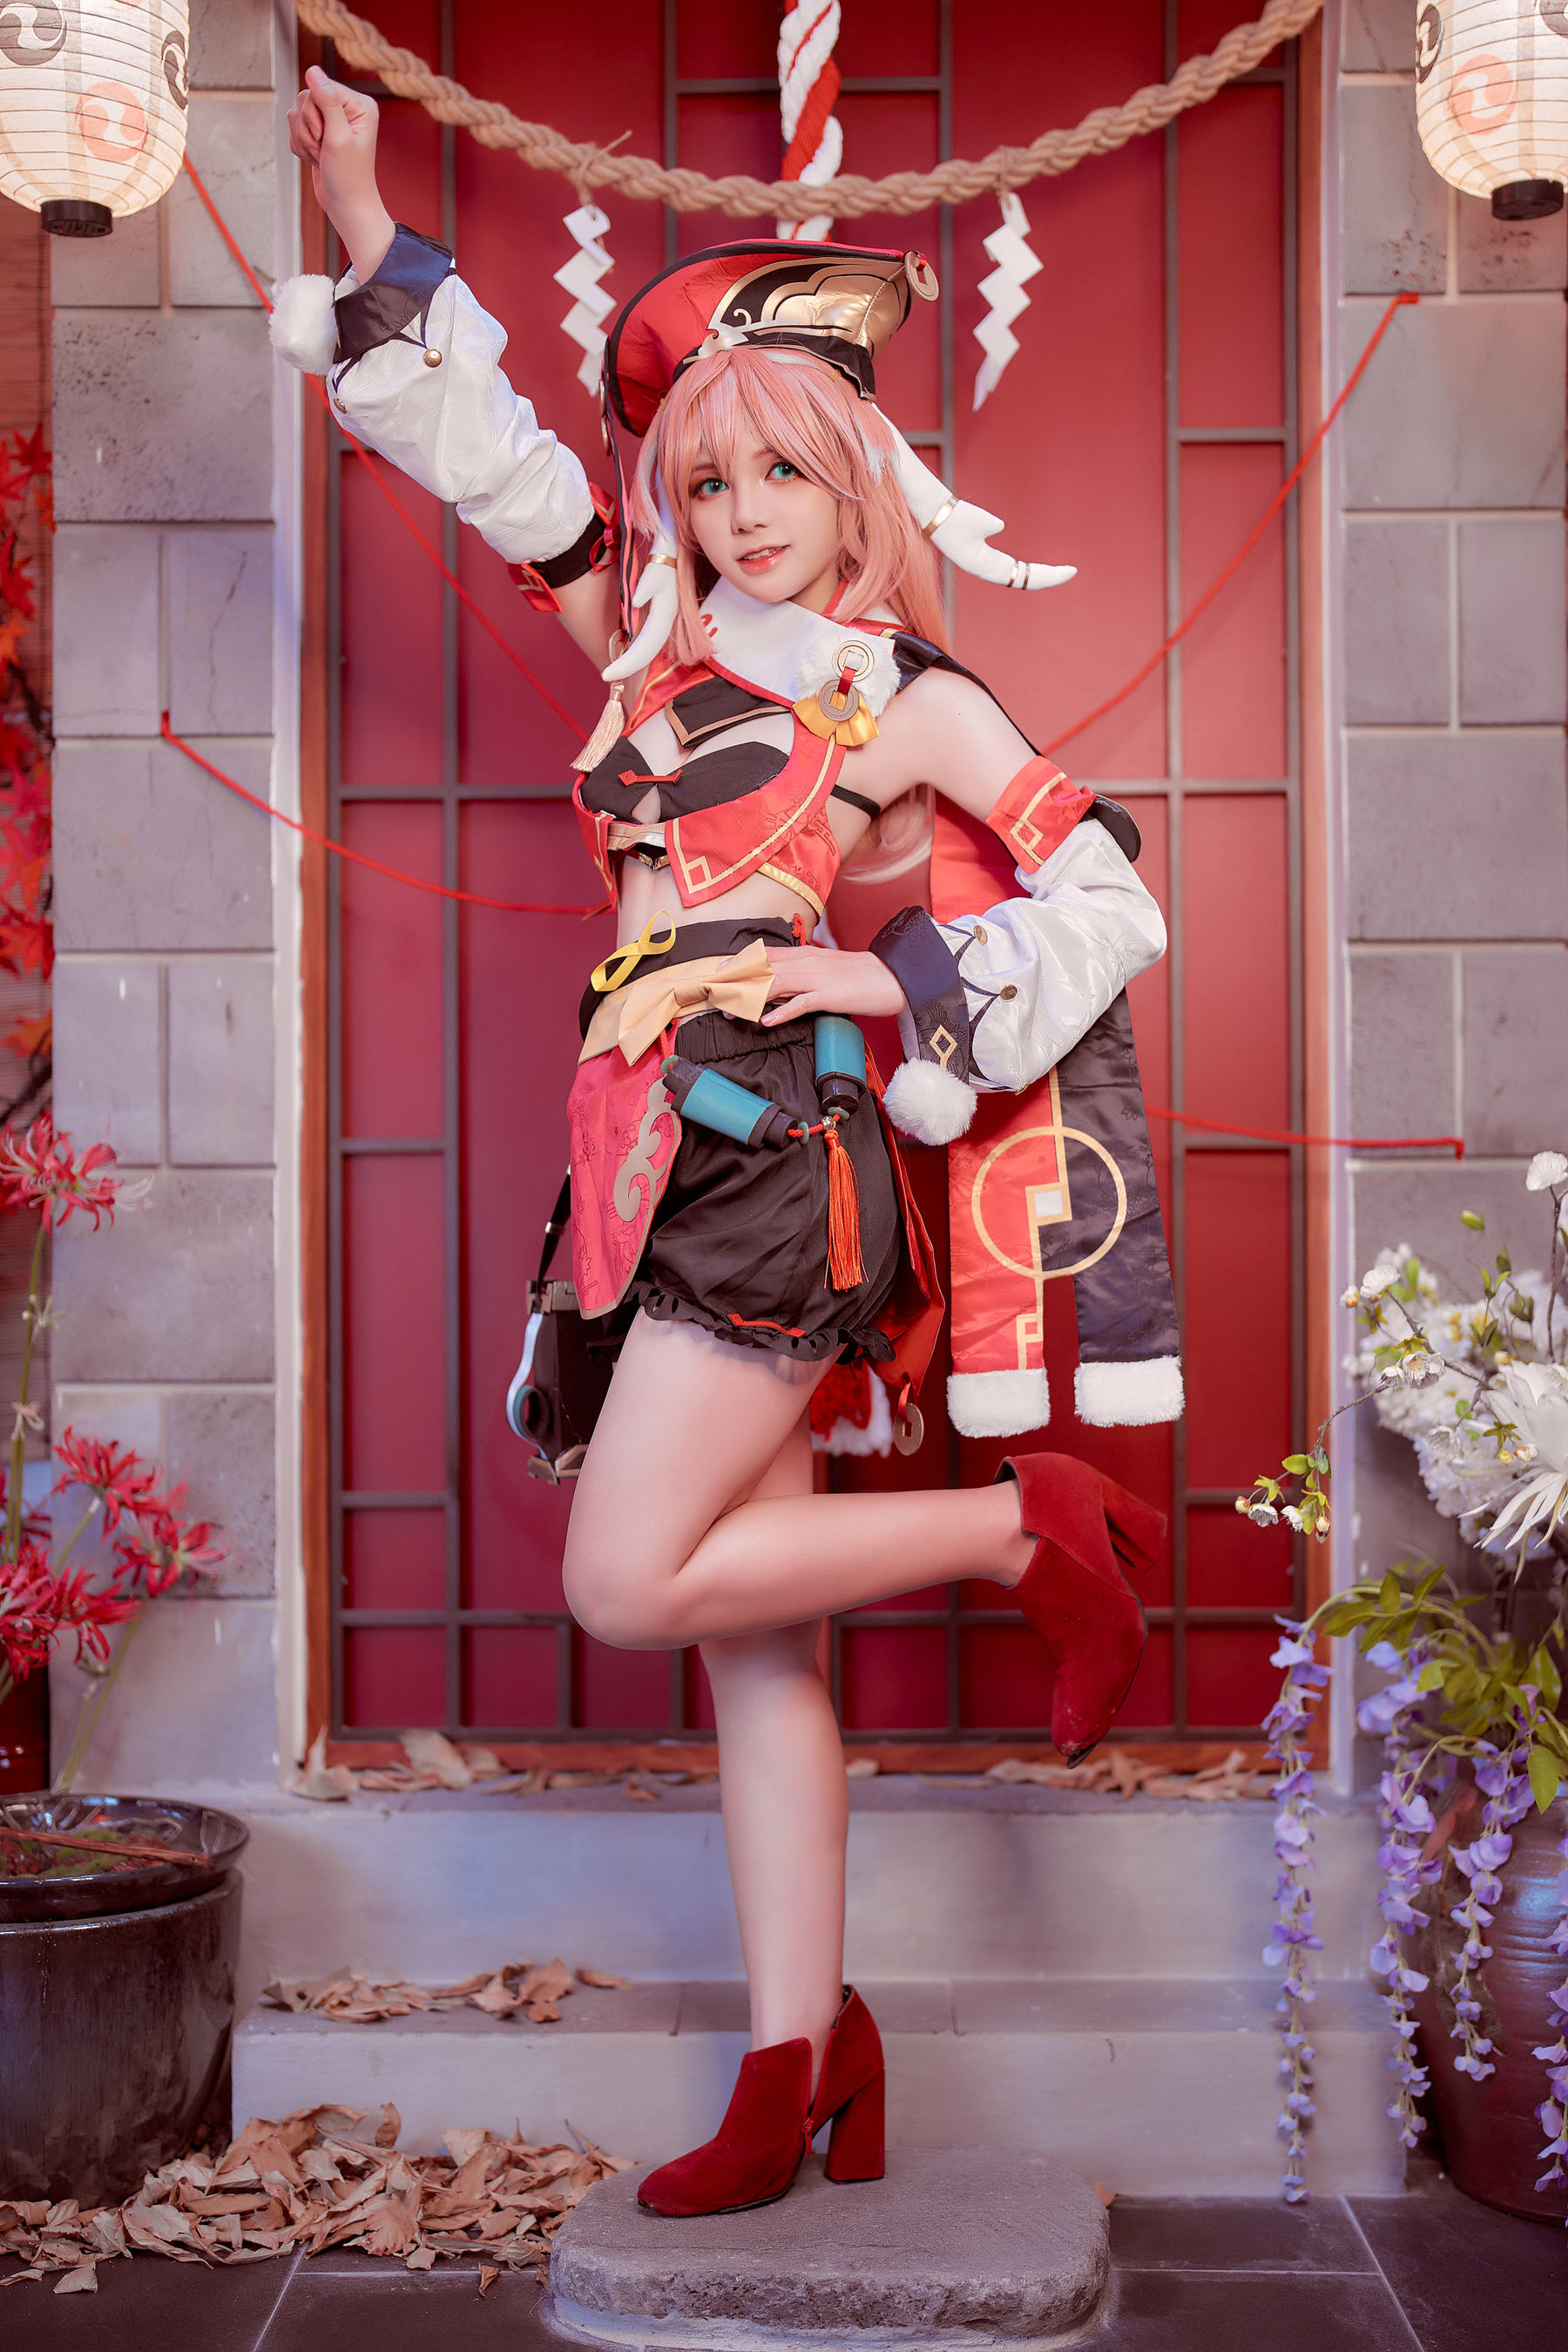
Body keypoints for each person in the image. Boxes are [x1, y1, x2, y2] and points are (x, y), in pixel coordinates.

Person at [279, 65, 1178, 2222]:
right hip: (641, 1154)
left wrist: (876, 976)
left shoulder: (900, 692)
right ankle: (804, 2058)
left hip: (781, 1154)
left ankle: (1025, 1530)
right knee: (752, 1646)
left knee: (621, 1578)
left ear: (855, 469)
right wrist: (363, 211)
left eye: (784, 466)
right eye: (708, 474)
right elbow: (497, 468)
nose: (747, 508)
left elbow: (1110, 890)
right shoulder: (652, 646)